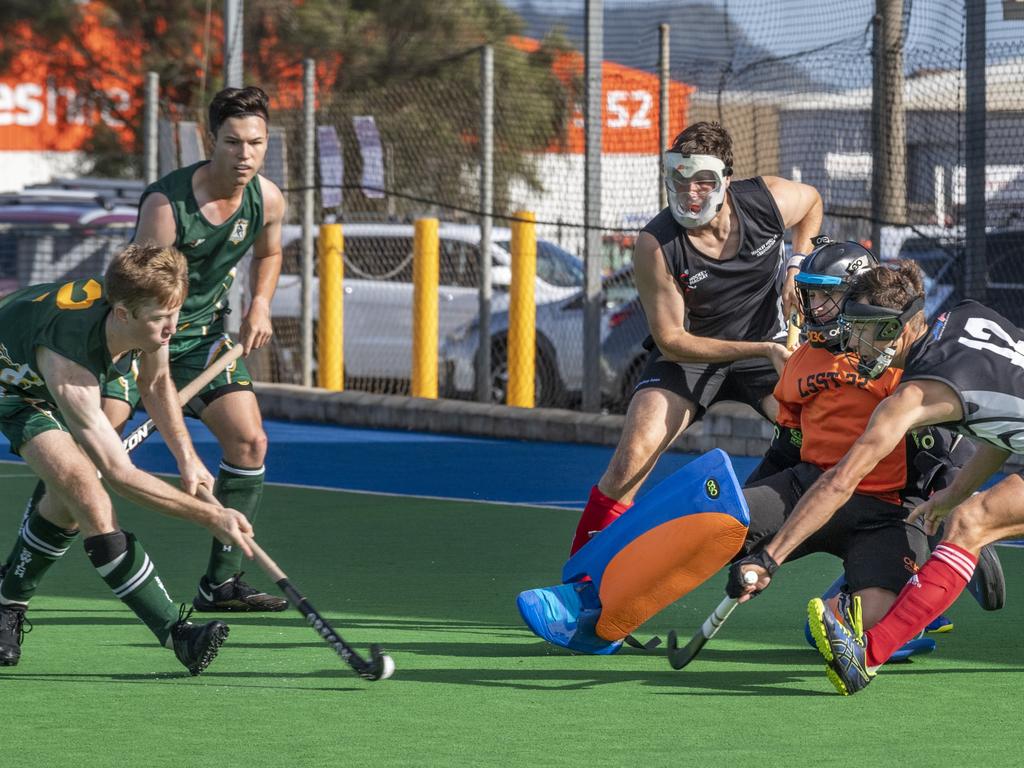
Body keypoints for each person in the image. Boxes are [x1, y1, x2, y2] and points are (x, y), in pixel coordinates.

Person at [6, 86, 288, 612]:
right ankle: (18, 583)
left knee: (249, 443)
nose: (245, 155)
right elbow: (141, 290)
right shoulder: (167, 205)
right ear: (212, 141)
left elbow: (270, 251)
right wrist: (148, 364)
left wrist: (261, 305)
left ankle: (220, 585)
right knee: (87, 465)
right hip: (140, 339)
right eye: (233, 142)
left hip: (202, 340)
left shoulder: (267, 198)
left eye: (256, 143)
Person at [735, 259, 1021, 695]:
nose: (854, 346)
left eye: (863, 332)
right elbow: (1002, 426)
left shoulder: (914, 396)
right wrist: (951, 496)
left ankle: (865, 657)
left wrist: (770, 557)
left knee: (971, 524)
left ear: (896, 330)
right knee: (969, 516)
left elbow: (837, 482)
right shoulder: (968, 314)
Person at [569, 121, 823, 555]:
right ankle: (581, 585)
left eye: (704, 182)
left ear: (726, 180)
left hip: (767, 350)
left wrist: (797, 264)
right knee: (631, 459)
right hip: (692, 354)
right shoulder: (656, 244)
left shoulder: (766, 202)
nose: (691, 193)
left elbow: (812, 202)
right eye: (680, 180)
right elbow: (671, 340)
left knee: (830, 439)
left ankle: (886, 576)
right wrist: (763, 349)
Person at [0, 244, 254, 673]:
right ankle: (178, 633)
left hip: (96, 358)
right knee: (89, 493)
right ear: (122, 313)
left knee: (70, 495)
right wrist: (210, 517)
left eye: (174, 313)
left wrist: (187, 458)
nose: (172, 328)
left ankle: (6, 603)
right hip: (16, 385)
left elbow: (156, 383)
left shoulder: (147, 314)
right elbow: (120, 473)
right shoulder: (69, 364)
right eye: (160, 319)